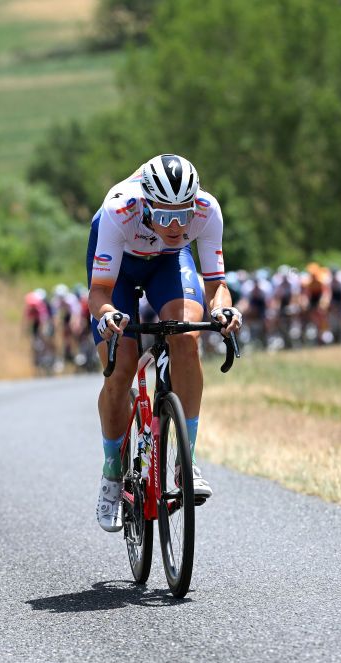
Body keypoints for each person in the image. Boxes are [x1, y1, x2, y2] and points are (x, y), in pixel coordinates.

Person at [86, 153, 242, 532]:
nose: (175, 225)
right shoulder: (120, 209)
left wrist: (223, 311)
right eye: (165, 215)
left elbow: (216, 284)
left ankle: (184, 462)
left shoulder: (207, 210)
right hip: (119, 271)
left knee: (187, 338)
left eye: (183, 215)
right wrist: (108, 315)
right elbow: (99, 291)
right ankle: (111, 475)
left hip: (169, 264)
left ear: (195, 205)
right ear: (146, 203)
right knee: (121, 369)